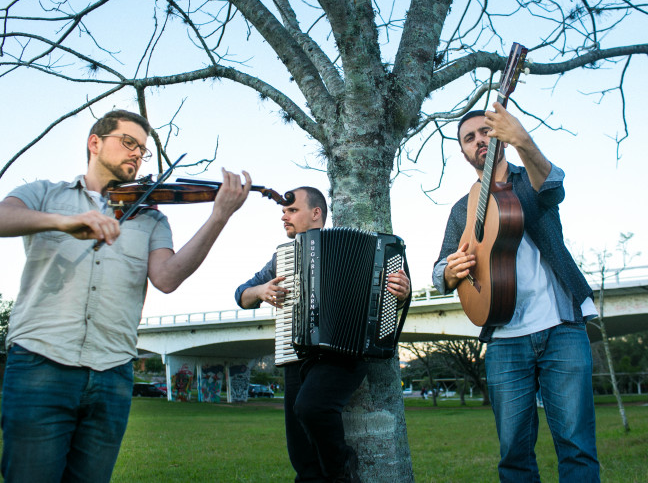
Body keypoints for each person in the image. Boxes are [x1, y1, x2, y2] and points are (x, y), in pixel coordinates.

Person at [0, 110, 252, 483]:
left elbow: (167, 279)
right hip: (41, 362)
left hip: (112, 372)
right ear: (94, 143)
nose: (137, 155)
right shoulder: (45, 194)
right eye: (128, 143)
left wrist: (219, 216)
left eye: (142, 150)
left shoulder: (151, 218)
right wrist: (62, 222)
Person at [432, 105, 600, 482]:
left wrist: (524, 140)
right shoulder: (463, 209)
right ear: (462, 152)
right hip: (505, 339)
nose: (479, 141)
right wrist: (449, 271)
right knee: (513, 456)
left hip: (560, 326)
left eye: (484, 132)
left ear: (498, 136)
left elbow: (554, 184)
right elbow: (439, 268)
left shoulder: (530, 181)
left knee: (576, 447)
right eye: (468, 138)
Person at [235, 186, 411, 483]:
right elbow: (241, 294)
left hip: (348, 352)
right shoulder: (283, 258)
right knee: (301, 454)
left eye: (292, 210)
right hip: (297, 354)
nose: (284, 216)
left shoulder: (373, 250)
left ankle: (342, 471)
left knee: (312, 407)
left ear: (316, 213)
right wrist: (260, 291)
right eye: (283, 212)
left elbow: (394, 297)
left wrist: (403, 293)